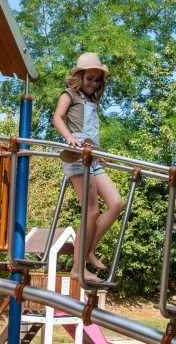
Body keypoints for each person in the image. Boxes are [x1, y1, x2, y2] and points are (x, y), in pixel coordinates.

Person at [52, 52, 124, 282]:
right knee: (91, 210)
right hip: (77, 155)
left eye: (97, 79)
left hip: (92, 155)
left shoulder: (92, 101)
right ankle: (77, 267)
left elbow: (92, 133)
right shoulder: (69, 94)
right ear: (80, 76)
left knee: (116, 203)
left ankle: (88, 251)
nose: (93, 83)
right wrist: (69, 138)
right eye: (89, 78)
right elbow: (57, 118)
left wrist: (100, 154)